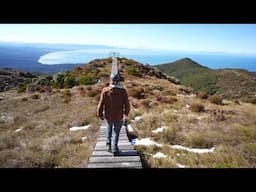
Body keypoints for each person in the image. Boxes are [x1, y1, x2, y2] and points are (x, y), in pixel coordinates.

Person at [96, 73, 130, 156]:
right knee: (116, 132)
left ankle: (108, 145)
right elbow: (127, 104)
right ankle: (114, 149)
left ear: (111, 80)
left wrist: (99, 114)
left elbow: (101, 104)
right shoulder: (123, 91)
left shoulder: (105, 90)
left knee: (109, 129)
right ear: (119, 81)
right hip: (119, 115)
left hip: (108, 115)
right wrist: (126, 114)